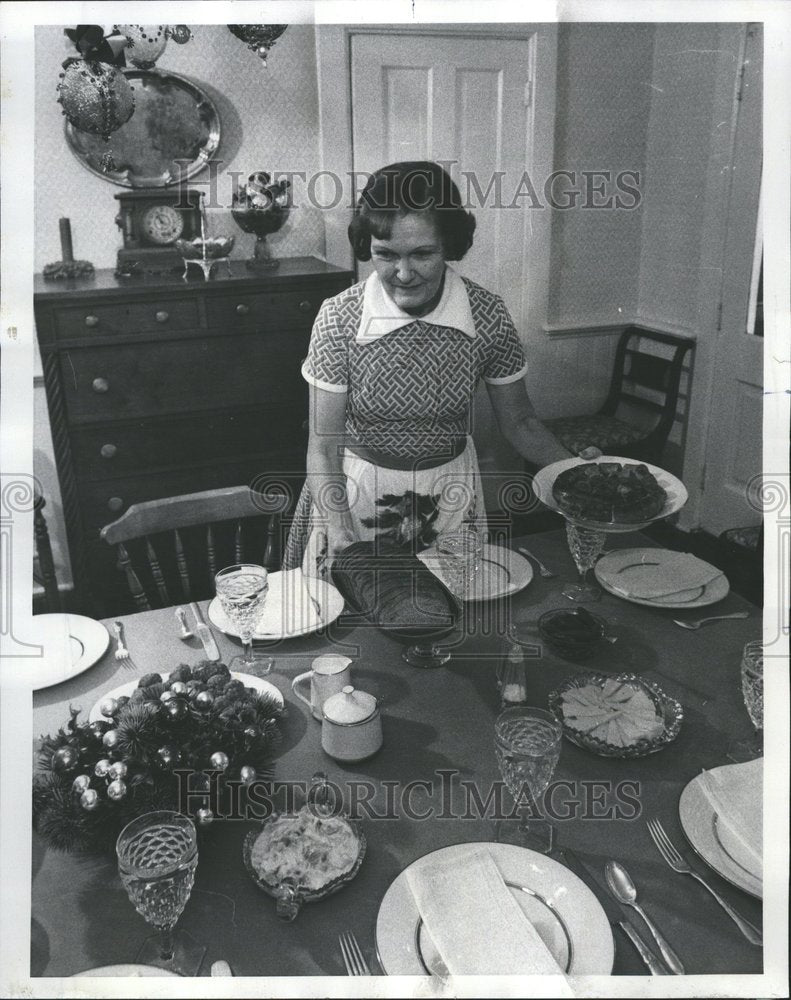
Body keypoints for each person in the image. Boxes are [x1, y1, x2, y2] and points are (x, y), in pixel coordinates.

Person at [283, 161, 585, 578]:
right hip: (354, 499)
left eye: (423, 254)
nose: (403, 274)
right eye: (385, 255)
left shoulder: (488, 314)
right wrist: (338, 531)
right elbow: (322, 445)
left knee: (451, 621)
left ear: (450, 244)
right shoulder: (339, 317)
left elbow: (522, 423)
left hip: (450, 495)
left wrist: (578, 473)